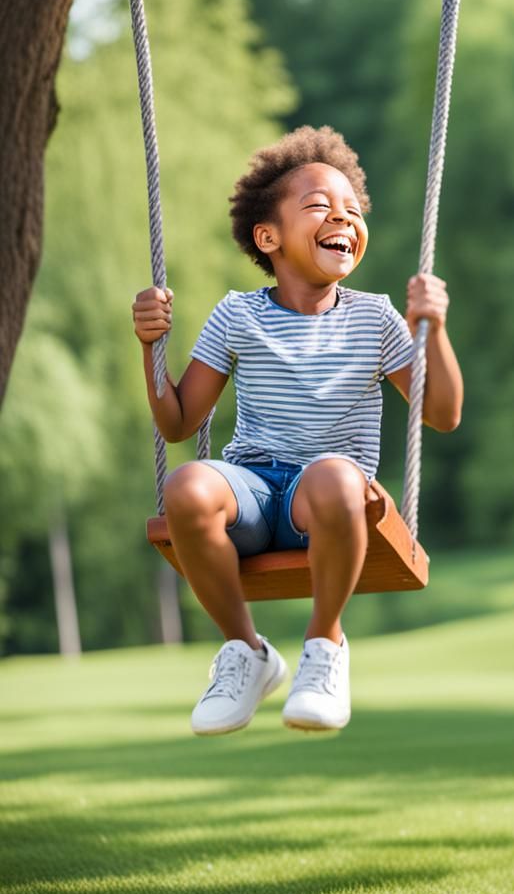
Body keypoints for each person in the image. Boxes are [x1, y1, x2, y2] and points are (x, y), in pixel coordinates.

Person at [132, 125, 463, 736]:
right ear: (269, 237)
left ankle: (325, 646)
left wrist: (433, 331)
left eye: (351, 210)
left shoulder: (376, 318)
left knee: (337, 475)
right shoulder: (237, 314)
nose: (342, 217)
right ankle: (246, 652)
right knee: (186, 486)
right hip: (254, 491)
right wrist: (152, 348)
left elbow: (441, 414)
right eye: (318, 206)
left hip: (326, 500)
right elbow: (179, 422)